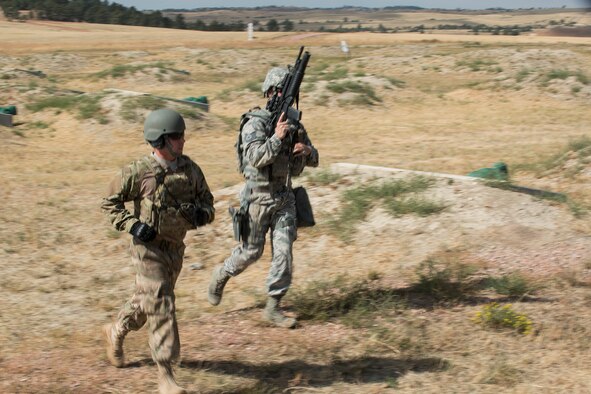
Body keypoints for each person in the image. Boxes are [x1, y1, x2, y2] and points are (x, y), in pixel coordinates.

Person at [101, 108, 215, 394]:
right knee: (162, 302)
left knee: (148, 303)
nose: (183, 141)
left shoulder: (191, 170)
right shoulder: (138, 172)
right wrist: (133, 225)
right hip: (147, 250)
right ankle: (165, 375)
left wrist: (203, 214)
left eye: (182, 136)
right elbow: (109, 203)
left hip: (175, 250)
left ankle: (117, 329)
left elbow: (208, 201)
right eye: (177, 137)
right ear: (161, 141)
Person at [207, 67, 319, 328]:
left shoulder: (294, 124)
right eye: (278, 90)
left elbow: (315, 160)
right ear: (269, 93)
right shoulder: (255, 123)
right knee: (250, 252)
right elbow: (255, 157)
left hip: (284, 199)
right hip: (257, 200)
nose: (281, 95)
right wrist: (277, 138)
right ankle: (221, 274)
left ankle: (273, 306)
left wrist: (307, 151)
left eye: (285, 91)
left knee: (284, 252)